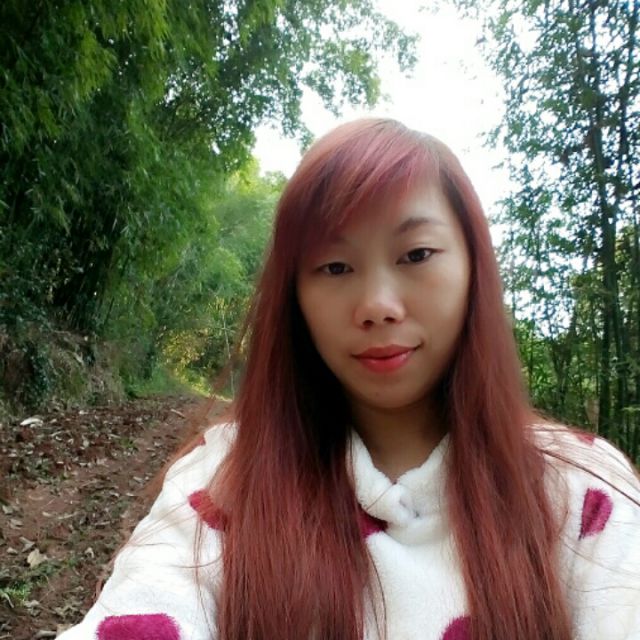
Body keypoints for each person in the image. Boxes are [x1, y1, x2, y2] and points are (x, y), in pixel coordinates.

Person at [57, 119, 640, 640]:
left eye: (416, 255)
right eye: (335, 267)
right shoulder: (226, 477)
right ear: (296, 298)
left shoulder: (580, 491)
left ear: (474, 268)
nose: (377, 305)